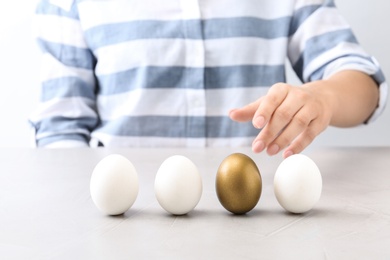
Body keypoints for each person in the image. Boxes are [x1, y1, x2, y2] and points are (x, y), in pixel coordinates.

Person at [30, 0, 387, 158]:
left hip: (256, 214)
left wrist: (324, 98)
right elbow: (59, 131)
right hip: (120, 219)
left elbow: (367, 88)